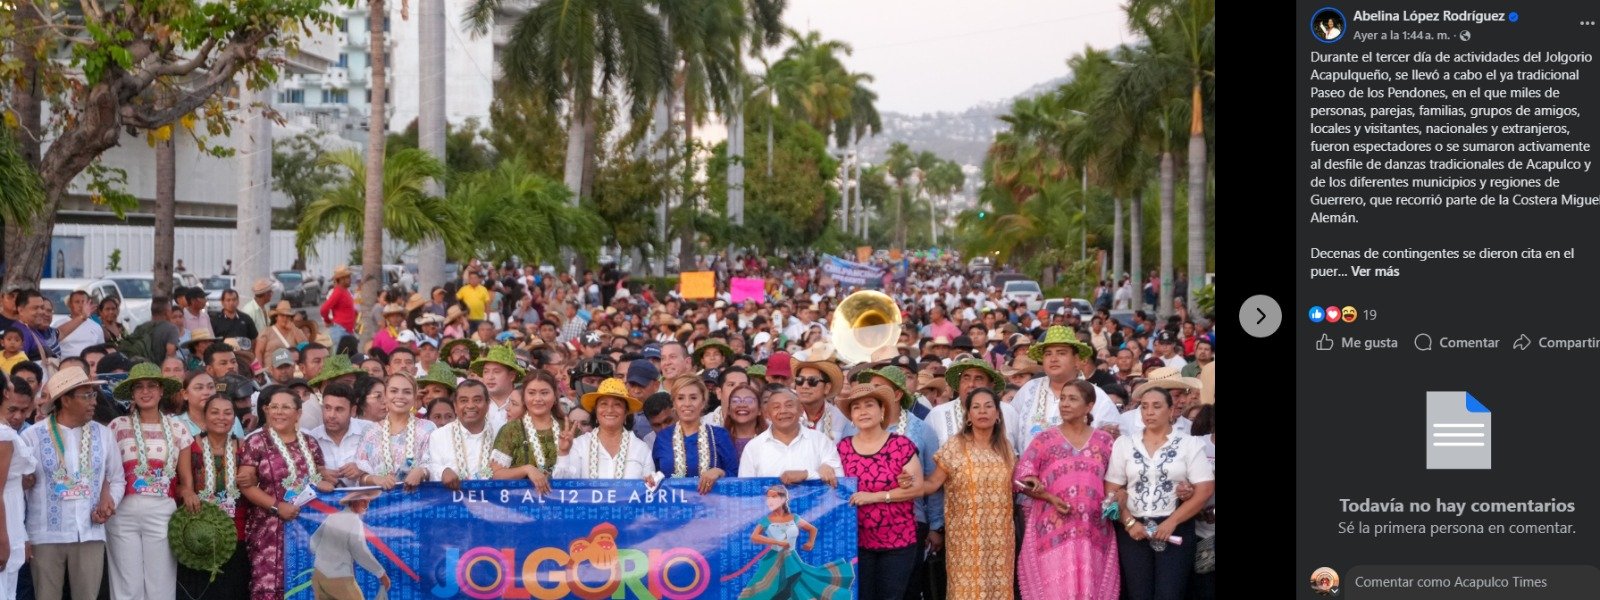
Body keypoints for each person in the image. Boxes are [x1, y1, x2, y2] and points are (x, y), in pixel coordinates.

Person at [1012, 380, 1120, 599]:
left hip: (1094, 529)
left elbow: (1118, 483)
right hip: (1051, 529)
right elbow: (1021, 479)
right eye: (1062, 398)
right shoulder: (1044, 439)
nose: (1065, 404)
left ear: (1089, 406)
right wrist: (1047, 495)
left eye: (1072, 399)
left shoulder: (1105, 441)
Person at [23, 367, 124, 600]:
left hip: (90, 532)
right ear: (65, 400)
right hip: (45, 535)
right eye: (86, 396)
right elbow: (20, 488)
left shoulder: (103, 434)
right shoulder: (32, 436)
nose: (94, 402)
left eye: (94, 395)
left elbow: (117, 478)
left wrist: (109, 502)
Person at [1106, 388, 1214, 600]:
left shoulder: (1189, 444)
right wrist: (1129, 522)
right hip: (1134, 530)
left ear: (1171, 410)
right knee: (1138, 594)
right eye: (1144, 407)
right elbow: (1112, 488)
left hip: (1176, 526)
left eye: (1157, 406)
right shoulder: (1125, 444)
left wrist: (1172, 522)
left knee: (1170, 593)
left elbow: (1205, 489)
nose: (1149, 412)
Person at [238, 385, 335, 600]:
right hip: (269, 529)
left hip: (307, 528)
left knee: (306, 586)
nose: (279, 412)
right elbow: (246, 485)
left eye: (286, 407)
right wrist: (276, 506)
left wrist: (325, 482)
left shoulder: (310, 443)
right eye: (274, 407)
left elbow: (319, 475)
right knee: (269, 587)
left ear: (298, 413)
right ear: (266, 410)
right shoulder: (256, 442)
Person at [106, 364, 192, 600]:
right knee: (126, 584)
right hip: (122, 509)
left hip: (162, 509)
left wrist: (188, 492)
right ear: (132, 393)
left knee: (161, 583)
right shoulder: (117, 426)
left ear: (161, 391)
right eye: (139, 387)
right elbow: (106, 472)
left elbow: (185, 480)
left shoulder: (178, 428)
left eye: (152, 386)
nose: (146, 392)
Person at [837, 383, 922, 600]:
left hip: (897, 541)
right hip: (856, 540)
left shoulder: (901, 445)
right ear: (851, 416)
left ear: (882, 410)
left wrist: (874, 497)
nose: (863, 411)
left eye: (869, 405)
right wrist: (824, 469)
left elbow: (917, 489)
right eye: (856, 407)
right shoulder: (842, 448)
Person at [175, 395, 250, 599]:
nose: (221, 418)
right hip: (197, 532)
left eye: (228, 413)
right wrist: (186, 491)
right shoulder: (189, 446)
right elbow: (177, 484)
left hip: (236, 530)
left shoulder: (245, 447)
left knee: (232, 590)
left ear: (234, 418)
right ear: (204, 416)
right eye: (215, 412)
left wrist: (252, 478)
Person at [737, 485, 854, 600]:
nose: (769, 501)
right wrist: (777, 542)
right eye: (768, 498)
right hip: (774, 560)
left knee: (801, 584)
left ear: (783, 499)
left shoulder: (794, 518)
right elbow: (754, 537)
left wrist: (810, 543)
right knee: (767, 590)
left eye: (773, 497)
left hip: (791, 558)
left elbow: (812, 529)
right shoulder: (766, 520)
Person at [553, 379, 653, 481]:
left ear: (626, 413)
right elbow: (562, 485)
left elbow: (651, 488)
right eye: (604, 404)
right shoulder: (579, 445)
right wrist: (564, 453)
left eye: (617, 404)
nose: (610, 410)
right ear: (596, 411)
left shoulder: (641, 449)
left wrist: (652, 482)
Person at [651, 375, 737, 494]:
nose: (687, 403)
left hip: (712, 504)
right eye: (680, 398)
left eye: (693, 398)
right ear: (674, 403)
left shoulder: (719, 435)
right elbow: (657, 476)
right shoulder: (663, 437)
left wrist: (720, 472)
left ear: (703, 402)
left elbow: (736, 477)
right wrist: (651, 479)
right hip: (672, 504)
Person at [738, 387, 840, 484]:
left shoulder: (821, 441)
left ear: (801, 410)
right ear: (767, 414)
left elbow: (840, 480)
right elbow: (745, 489)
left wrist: (806, 475)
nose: (783, 411)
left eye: (789, 405)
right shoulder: (753, 447)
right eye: (776, 407)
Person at [490, 371, 569, 494]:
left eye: (544, 393)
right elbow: (495, 474)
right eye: (531, 393)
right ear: (524, 397)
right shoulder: (511, 430)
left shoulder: (568, 429)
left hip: (565, 500)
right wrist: (526, 469)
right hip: (520, 502)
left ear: (555, 397)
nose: (537, 399)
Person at [355, 374, 435, 491]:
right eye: (394, 391)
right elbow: (360, 476)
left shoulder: (427, 428)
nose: (400, 396)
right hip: (379, 500)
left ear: (414, 397)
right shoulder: (370, 431)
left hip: (419, 499)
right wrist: (376, 479)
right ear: (385, 395)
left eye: (407, 392)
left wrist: (421, 471)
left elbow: (435, 466)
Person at [309, 489, 390, 600]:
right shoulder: (354, 521)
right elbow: (360, 552)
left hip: (319, 575)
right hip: (339, 578)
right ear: (354, 501)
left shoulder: (332, 517)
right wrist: (381, 574)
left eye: (368, 502)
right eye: (363, 501)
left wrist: (323, 557)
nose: (366, 506)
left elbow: (313, 541)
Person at [426, 380, 499, 489]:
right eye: (464, 400)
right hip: (451, 498)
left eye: (477, 400)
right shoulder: (439, 436)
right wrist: (443, 471)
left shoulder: (500, 432)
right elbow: (430, 467)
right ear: (455, 406)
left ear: (488, 404)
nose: (470, 405)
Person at [0, 375, 32, 600]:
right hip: (5, 524)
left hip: (12, 517)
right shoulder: (3, 436)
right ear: (5, 393)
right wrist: (3, 538)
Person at [306, 384, 372, 488]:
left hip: (367, 497)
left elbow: (386, 469)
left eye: (339, 409)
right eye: (327, 408)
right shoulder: (310, 440)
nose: (331, 415)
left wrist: (363, 469)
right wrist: (318, 476)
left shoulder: (370, 431)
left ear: (353, 411)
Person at [792, 359, 848, 443]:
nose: (804, 386)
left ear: (827, 388)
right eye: (800, 380)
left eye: (812, 381)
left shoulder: (841, 419)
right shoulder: (786, 414)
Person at [256, 302, 308, 367]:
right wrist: (260, 370)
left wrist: (293, 328)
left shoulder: (296, 331)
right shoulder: (267, 332)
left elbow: (305, 347)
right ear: (276, 317)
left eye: (287, 316)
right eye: (282, 315)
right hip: (270, 370)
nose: (285, 318)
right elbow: (259, 352)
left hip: (292, 370)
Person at [722, 384, 766, 457]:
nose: (742, 405)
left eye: (749, 401)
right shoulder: (719, 440)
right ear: (729, 410)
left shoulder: (770, 440)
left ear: (759, 410)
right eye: (735, 401)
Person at [320, 267, 356, 347]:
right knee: (341, 355)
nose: (350, 279)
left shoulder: (345, 291)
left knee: (347, 354)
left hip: (346, 330)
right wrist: (327, 320)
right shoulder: (338, 292)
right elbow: (324, 309)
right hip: (340, 330)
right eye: (348, 277)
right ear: (341, 279)